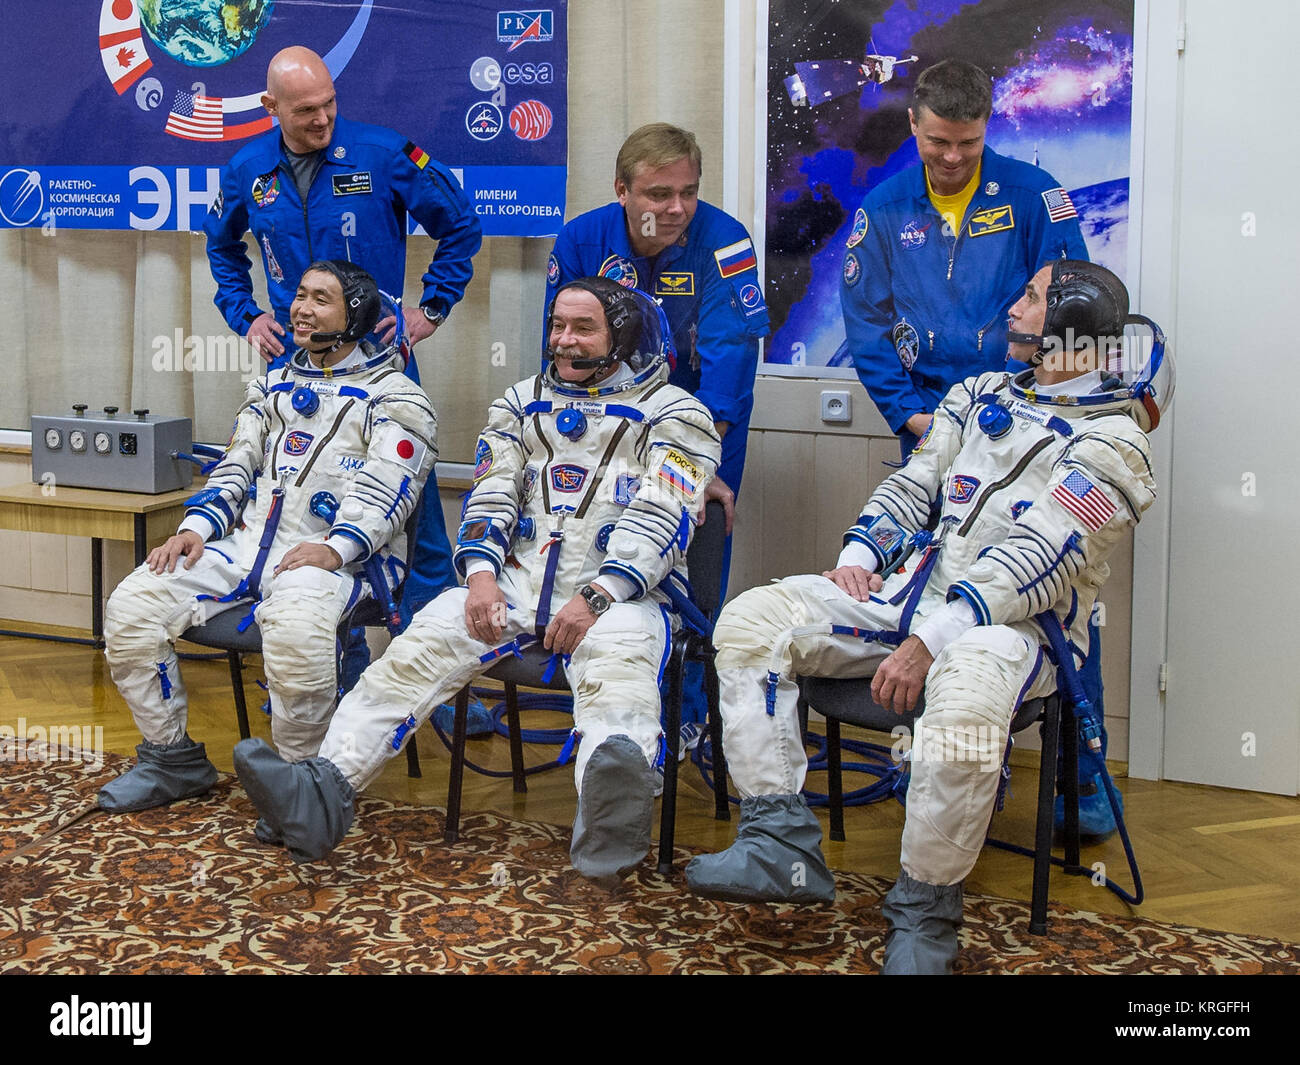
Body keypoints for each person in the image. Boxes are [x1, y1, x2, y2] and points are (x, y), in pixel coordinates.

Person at [686, 260, 1172, 974]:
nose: (1013, 307)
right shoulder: (978, 396)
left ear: (1068, 333)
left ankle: (924, 909)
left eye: (1032, 299)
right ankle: (777, 839)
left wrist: (928, 642)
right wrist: (861, 554)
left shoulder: (1116, 447)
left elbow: (1036, 559)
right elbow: (916, 484)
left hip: (1017, 635)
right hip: (910, 596)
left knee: (966, 701)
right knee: (754, 620)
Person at [232, 278, 723, 885]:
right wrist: (483, 578)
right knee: (412, 653)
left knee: (617, 673)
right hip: (513, 584)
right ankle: (321, 791)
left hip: (622, 595)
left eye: (584, 328)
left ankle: (611, 819)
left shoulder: (680, 416)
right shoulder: (519, 403)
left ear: (621, 336)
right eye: (558, 326)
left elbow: (662, 513)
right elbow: (489, 495)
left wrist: (598, 595)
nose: (564, 341)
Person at [99, 262, 437, 819]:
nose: (301, 308)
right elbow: (235, 467)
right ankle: (171, 758)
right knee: (134, 604)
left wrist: (338, 547)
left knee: (296, 631)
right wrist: (194, 531)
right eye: (300, 295)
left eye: (320, 299)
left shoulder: (397, 398)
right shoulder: (273, 386)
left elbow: (388, 491)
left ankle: (300, 786)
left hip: (347, 561)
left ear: (355, 316)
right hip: (250, 546)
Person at [203, 46, 481, 695]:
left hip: (378, 370)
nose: (323, 118)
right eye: (306, 111)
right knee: (305, 520)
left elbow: (460, 225)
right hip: (297, 380)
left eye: (330, 103)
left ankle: (432, 686)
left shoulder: (386, 153)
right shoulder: (249, 170)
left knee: (422, 533)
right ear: (271, 108)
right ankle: (335, 669)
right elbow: (220, 248)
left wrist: (430, 308)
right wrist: (246, 316)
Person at [547, 122, 767, 733]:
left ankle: (687, 714)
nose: (675, 209)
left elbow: (731, 356)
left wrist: (707, 466)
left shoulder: (725, 243)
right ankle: (604, 698)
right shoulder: (581, 240)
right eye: (658, 194)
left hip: (701, 422)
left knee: (692, 563)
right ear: (622, 189)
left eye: (688, 193)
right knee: (597, 547)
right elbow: (562, 350)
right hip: (601, 422)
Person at [841, 59, 1089, 457]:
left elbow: (1069, 307)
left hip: (1021, 416)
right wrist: (908, 413)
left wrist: (1021, 398)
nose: (953, 157)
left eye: (968, 142)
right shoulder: (884, 208)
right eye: (939, 142)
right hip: (928, 422)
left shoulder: (1033, 195)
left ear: (987, 125)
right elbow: (866, 321)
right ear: (913, 124)